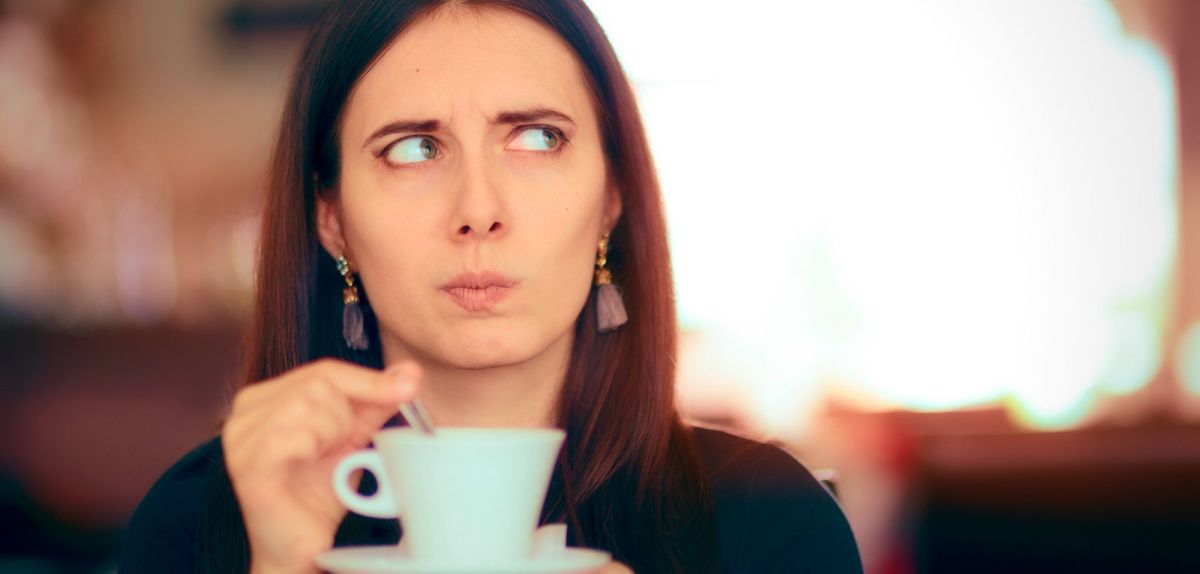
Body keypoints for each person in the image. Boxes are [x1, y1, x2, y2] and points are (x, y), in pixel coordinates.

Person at [118, 1, 863, 572]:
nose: (478, 211)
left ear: (612, 194)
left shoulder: (770, 526)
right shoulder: (200, 523)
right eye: (413, 148)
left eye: (538, 138)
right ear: (333, 218)